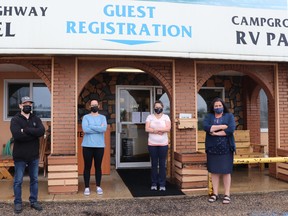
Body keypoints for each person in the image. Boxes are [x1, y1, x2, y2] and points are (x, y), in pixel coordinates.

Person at [10, 96, 45, 214]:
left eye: (29, 104)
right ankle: (18, 203)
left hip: (33, 156)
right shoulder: (15, 119)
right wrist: (33, 134)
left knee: (34, 180)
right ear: (20, 106)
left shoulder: (36, 118)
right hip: (20, 156)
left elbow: (41, 131)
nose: (27, 105)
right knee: (18, 181)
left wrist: (25, 130)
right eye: (25, 103)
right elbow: (17, 135)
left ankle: (34, 201)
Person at [203, 97, 236, 204]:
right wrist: (222, 126)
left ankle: (227, 194)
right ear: (213, 107)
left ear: (223, 106)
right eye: (216, 106)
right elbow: (206, 127)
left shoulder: (229, 116)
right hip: (212, 148)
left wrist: (216, 132)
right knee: (214, 171)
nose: (218, 107)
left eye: (220, 106)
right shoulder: (209, 116)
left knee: (226, 171)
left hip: (226, 148)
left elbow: (230, 129)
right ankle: (215, 194)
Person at [81, 99, 107, 196]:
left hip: (99, 146)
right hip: (87, 146)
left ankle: (98, 186)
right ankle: (87, 187)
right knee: (87, 166)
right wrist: (98, 128)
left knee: (98, 167)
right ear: (90, 107)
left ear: (99, 106)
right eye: (92, 105)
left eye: (95, 105)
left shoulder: (103, 117)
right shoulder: (86, 117)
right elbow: (85, 129)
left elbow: (103, 129)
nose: (94, 106)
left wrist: (91, 126)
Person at [145, 100, 171, 191]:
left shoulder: (166, 117)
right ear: (154, 108)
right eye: (156, 107)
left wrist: (158, 129)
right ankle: (154, 183)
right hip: (152, 144)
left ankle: (162, 184)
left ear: (162, 107)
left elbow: (168, 128)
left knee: (162, 164)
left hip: (163, 144)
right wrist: (156, 131)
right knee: (154, 164)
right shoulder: (150, 117)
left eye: (159, 107)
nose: (158, 109)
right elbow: (147, 128)